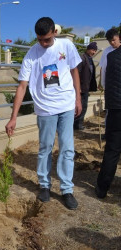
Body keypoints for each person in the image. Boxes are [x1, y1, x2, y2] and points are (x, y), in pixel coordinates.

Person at [5, 17, 82, 210]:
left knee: (67, 149)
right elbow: (22, 86)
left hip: (66, 105)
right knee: (45, 148)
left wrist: (78, 99)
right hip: (45, 109)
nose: (43, 43)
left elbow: (74, 72)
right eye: (40, 40)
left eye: (46, 39)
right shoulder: (32, 54)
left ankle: (66, 189)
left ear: (54, 32)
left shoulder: (67, 45)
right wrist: (13, 117)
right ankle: (44, 186)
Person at [95, 44, 121, 199]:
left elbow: (103, 82)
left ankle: (102, 188)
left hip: (116, 108)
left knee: (112, 150)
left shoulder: (111, 56)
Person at [99, 29, 120, 139]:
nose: (112, 43)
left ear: (118, 38)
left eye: (114, 40)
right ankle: (108, 133)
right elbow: (103, 69)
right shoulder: (107, 51)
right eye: (110, 41)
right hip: (110, 87)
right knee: (110, 112)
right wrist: (102, 84)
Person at [74, 42, 98, 130]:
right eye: (93, 50)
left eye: (95, 50)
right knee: (81, 106)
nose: (94, 52)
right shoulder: (82, 58)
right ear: (88, 49)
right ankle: (77, 125)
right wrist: (78, 87)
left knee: (84, 106)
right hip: (81, 88)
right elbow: (77, 73)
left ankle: (79, 124)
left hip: (86, 88)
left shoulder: (90, 59)